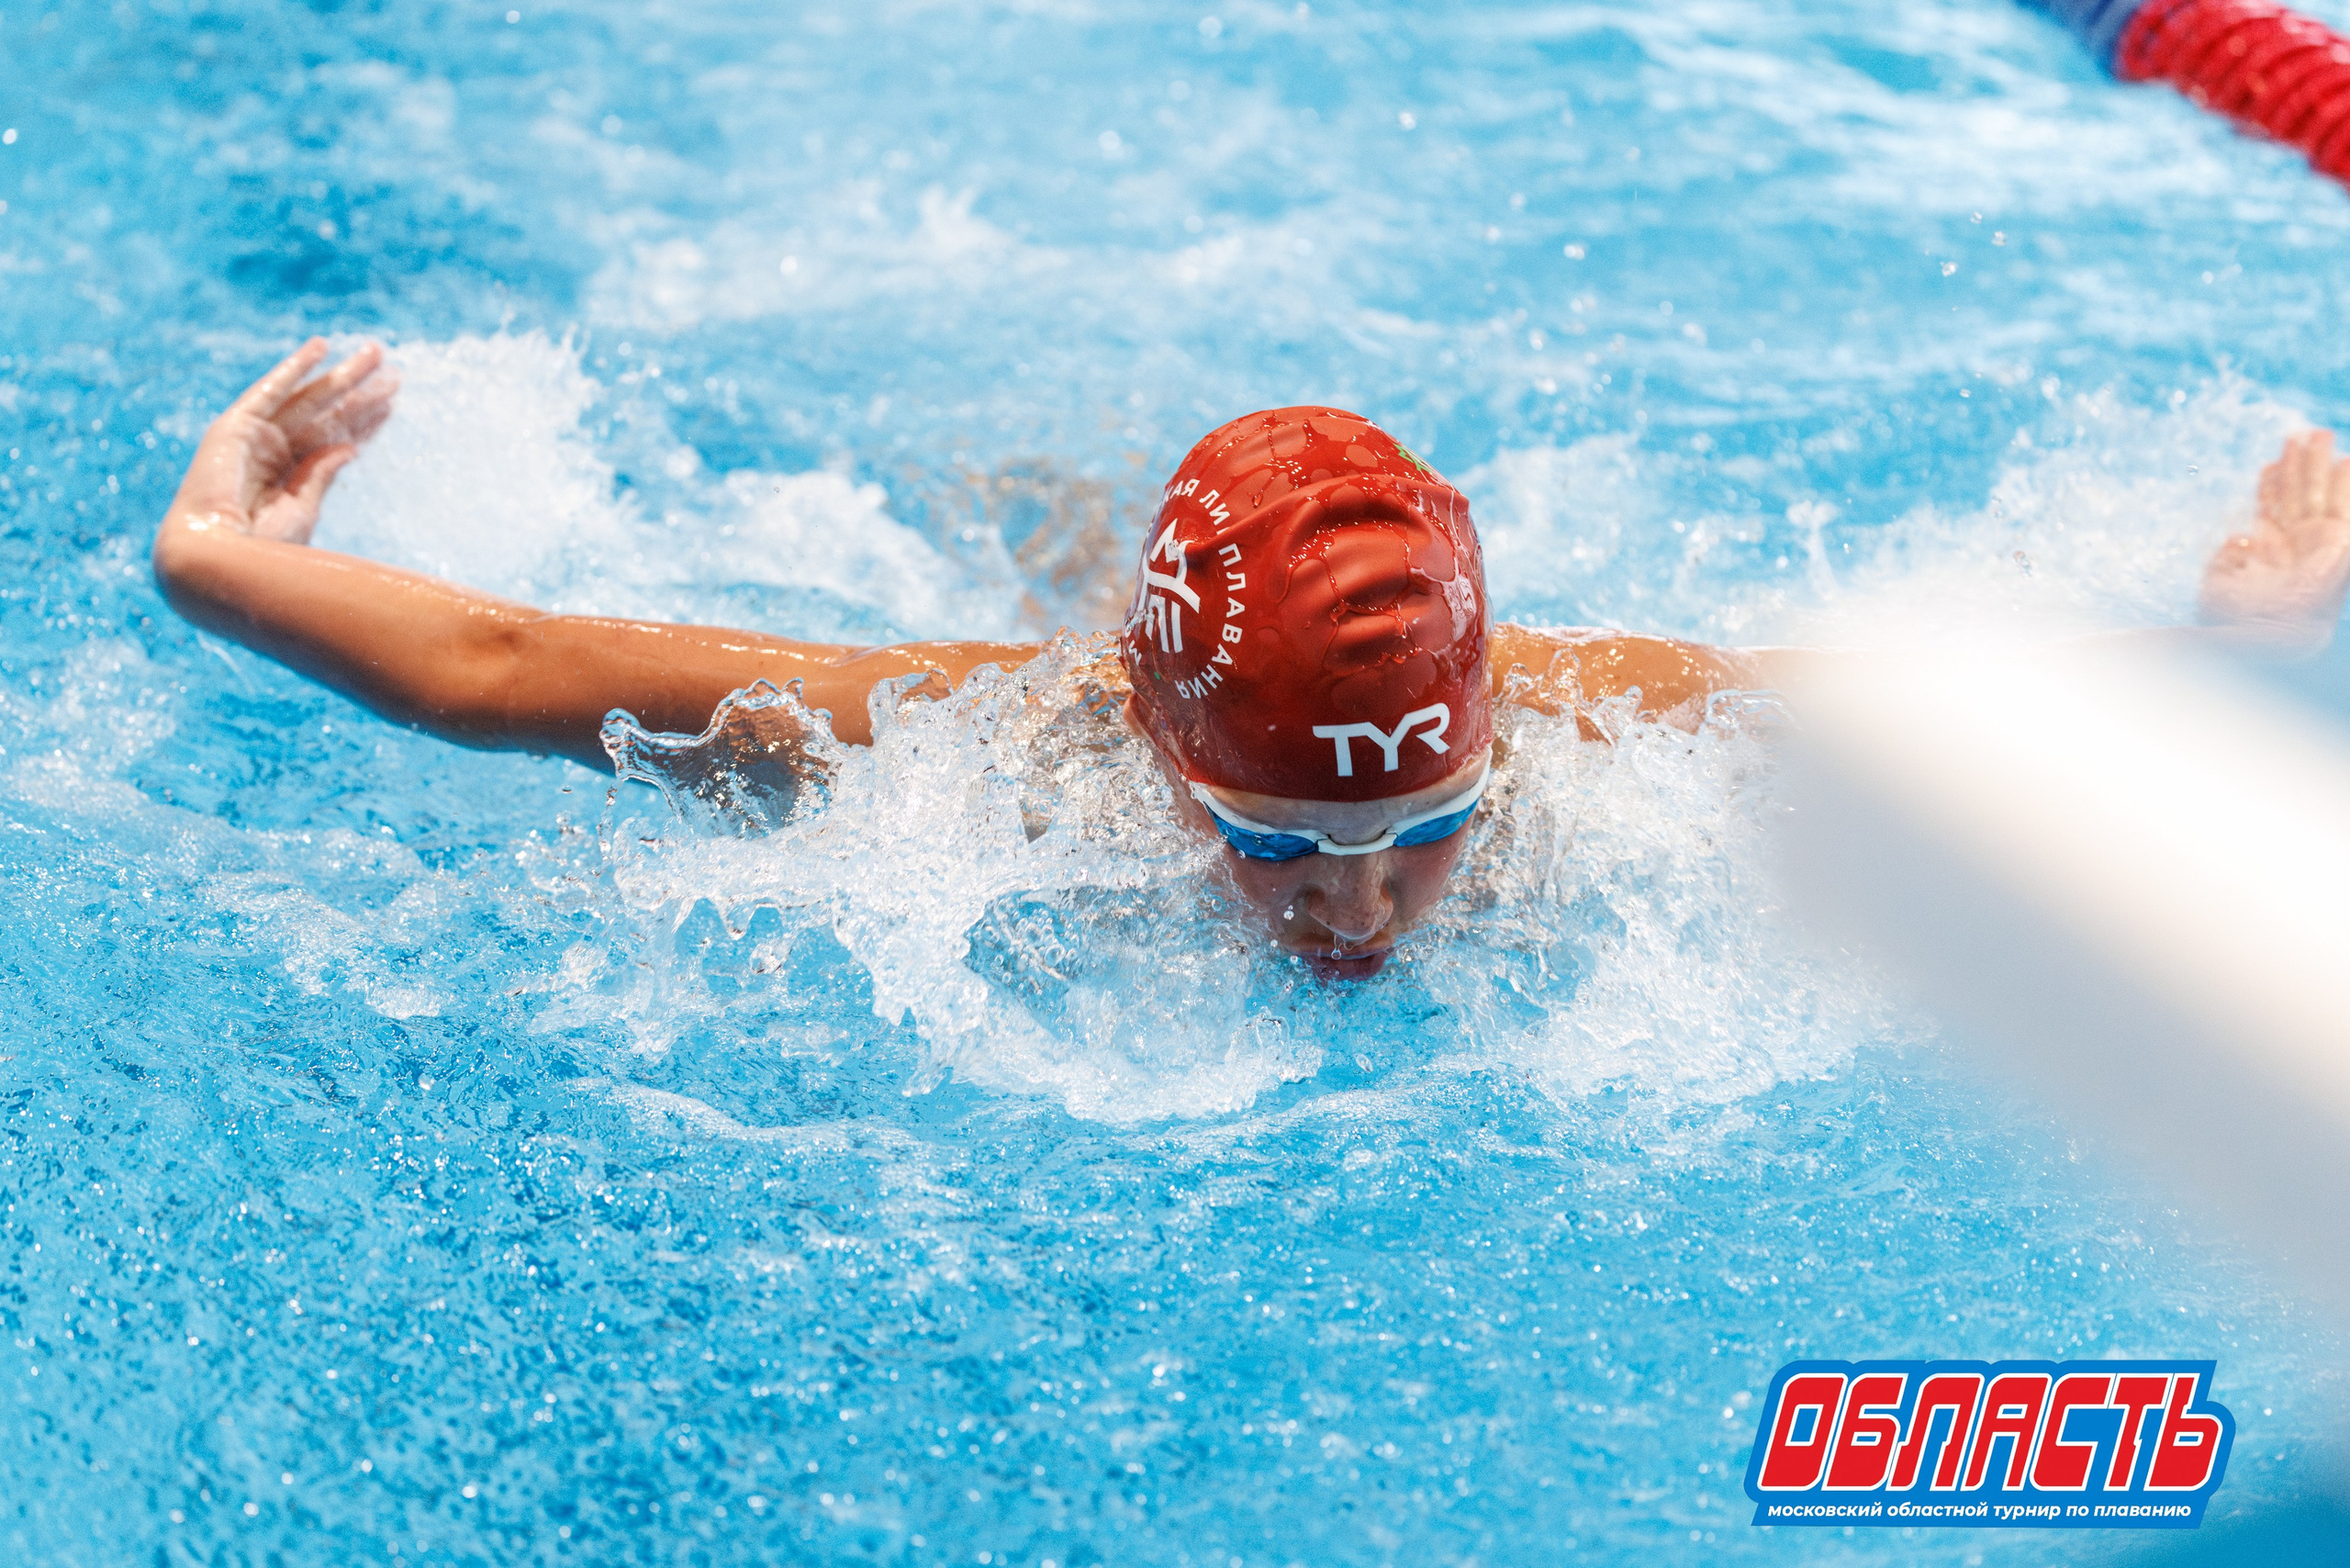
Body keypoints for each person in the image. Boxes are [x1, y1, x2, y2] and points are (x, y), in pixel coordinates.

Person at [152, 341, 2350, 981]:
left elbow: (1928, 713)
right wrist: (209, 551)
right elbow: (509, 661)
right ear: (1157, 748)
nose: (1358, 899)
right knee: (1009, 536)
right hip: (1078, 641)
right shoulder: (1012, 756)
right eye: (1280, 837)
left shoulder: (1593, 725)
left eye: (1425, 823)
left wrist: (2220, 651)